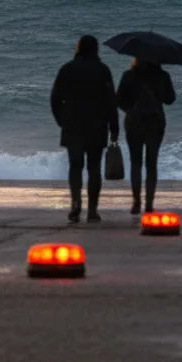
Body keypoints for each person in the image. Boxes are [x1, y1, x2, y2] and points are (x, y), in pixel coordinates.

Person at [50, 35, 119, 223]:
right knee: (94, 167)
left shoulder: (67, 69)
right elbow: (110, 101)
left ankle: (75, 205)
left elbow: (55, 99)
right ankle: (92, 211)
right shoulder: (103, 70)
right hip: (97, 125)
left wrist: (61, 121)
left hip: (72, 125)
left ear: (78, 48)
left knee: (75, 166)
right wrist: (114, 127)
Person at [116, 58, 175, 214]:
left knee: (136, 162)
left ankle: (136, 201)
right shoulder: (163, 76)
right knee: (151, 164)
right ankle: (149, 203)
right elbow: (170, 99)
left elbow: (119, 99)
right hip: (155, 122)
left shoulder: (129, 75)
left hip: (134, 122)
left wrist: (129, 110)